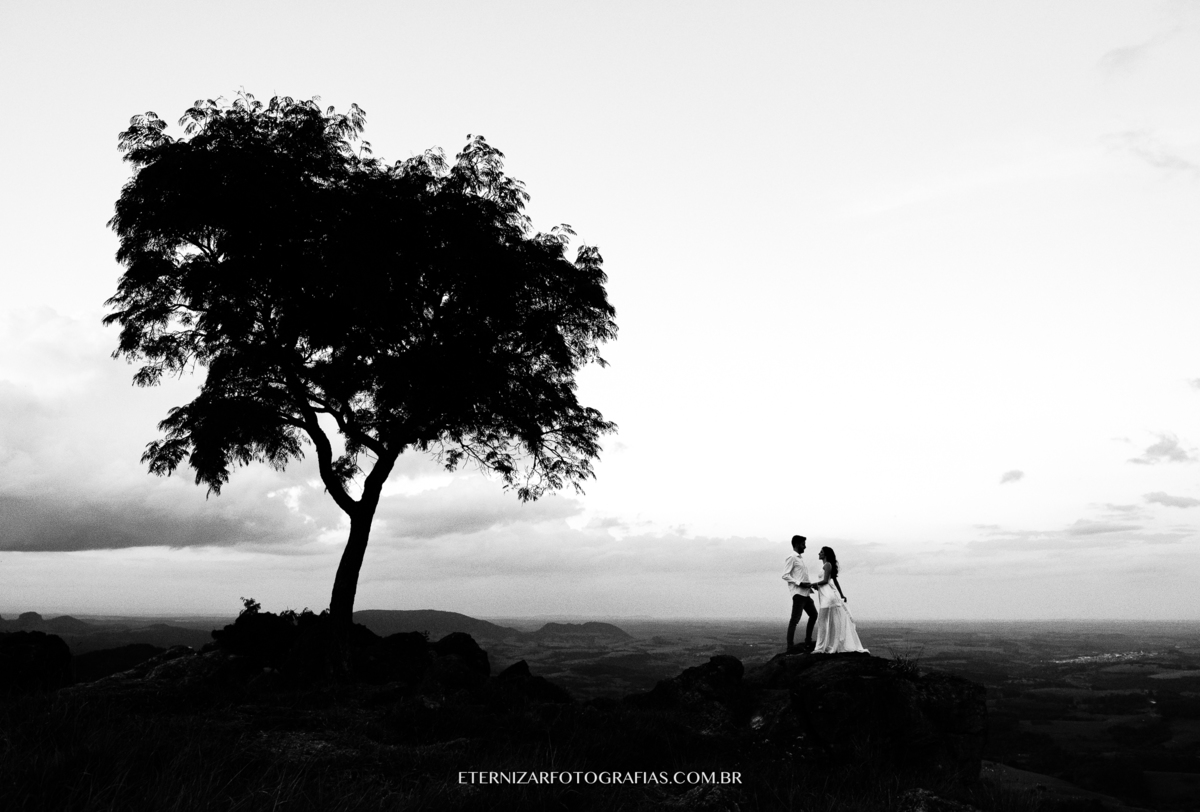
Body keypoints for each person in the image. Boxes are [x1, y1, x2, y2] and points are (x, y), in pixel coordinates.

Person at [804, 546, 869, 654]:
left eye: (821, 552)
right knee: (827, 622)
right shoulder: (827, 565)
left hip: (828, 597)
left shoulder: (827, 565)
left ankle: (821, 648)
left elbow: (825, 581)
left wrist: (813, 584)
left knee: (822, 621)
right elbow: (832, 581)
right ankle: (825, 645)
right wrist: (841, 594)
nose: (819, 553)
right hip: (825, 595)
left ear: (826, 554)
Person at [781, 534, 818, 652]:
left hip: (806, 593)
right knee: (795, 620)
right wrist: (799, 583)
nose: (805, 547)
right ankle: (790, 647)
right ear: (797, 544)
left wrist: (811, 585)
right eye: (803, 544)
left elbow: (802, 576)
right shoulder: (792, 557)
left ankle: (808, 640)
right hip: (798, 594)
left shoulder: (800, 559)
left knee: (814, 615)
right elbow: (785, 575)